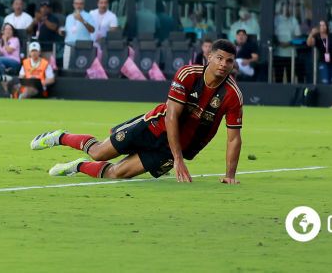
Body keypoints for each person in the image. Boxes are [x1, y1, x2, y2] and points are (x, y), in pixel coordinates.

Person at [30, 40, 243, 182]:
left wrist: (230, 175)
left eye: (229, 61)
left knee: (117, 174)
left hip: (171, 149)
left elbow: (233, 138)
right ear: (209, 58)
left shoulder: (232, 95)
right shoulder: (188, 74)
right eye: (219, 58)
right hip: (154, 127)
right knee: (98, 152)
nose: (224, 64)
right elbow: (171, 116)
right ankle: (60, 137)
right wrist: (178, 159)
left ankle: (77, 167)